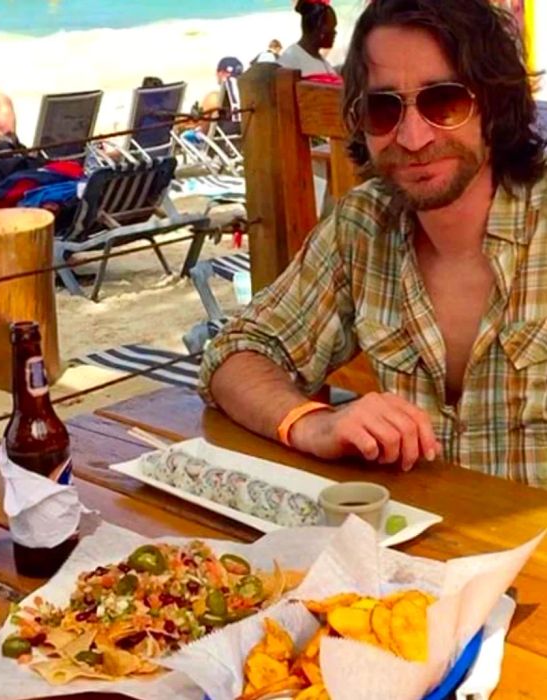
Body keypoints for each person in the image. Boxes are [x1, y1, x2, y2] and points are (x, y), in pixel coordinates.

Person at [199, 0, 547, 487]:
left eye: (443, 101)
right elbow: (237, 351)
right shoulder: (363, 224)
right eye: (384, 109)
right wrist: (310, 423)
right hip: (410, 549)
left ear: (494, 102)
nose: (412, 135)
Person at [278, 0, 338, 77]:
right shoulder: (291, 61)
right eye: (332, 27)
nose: (335, 32)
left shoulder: (322, 62)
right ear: (318, 27)